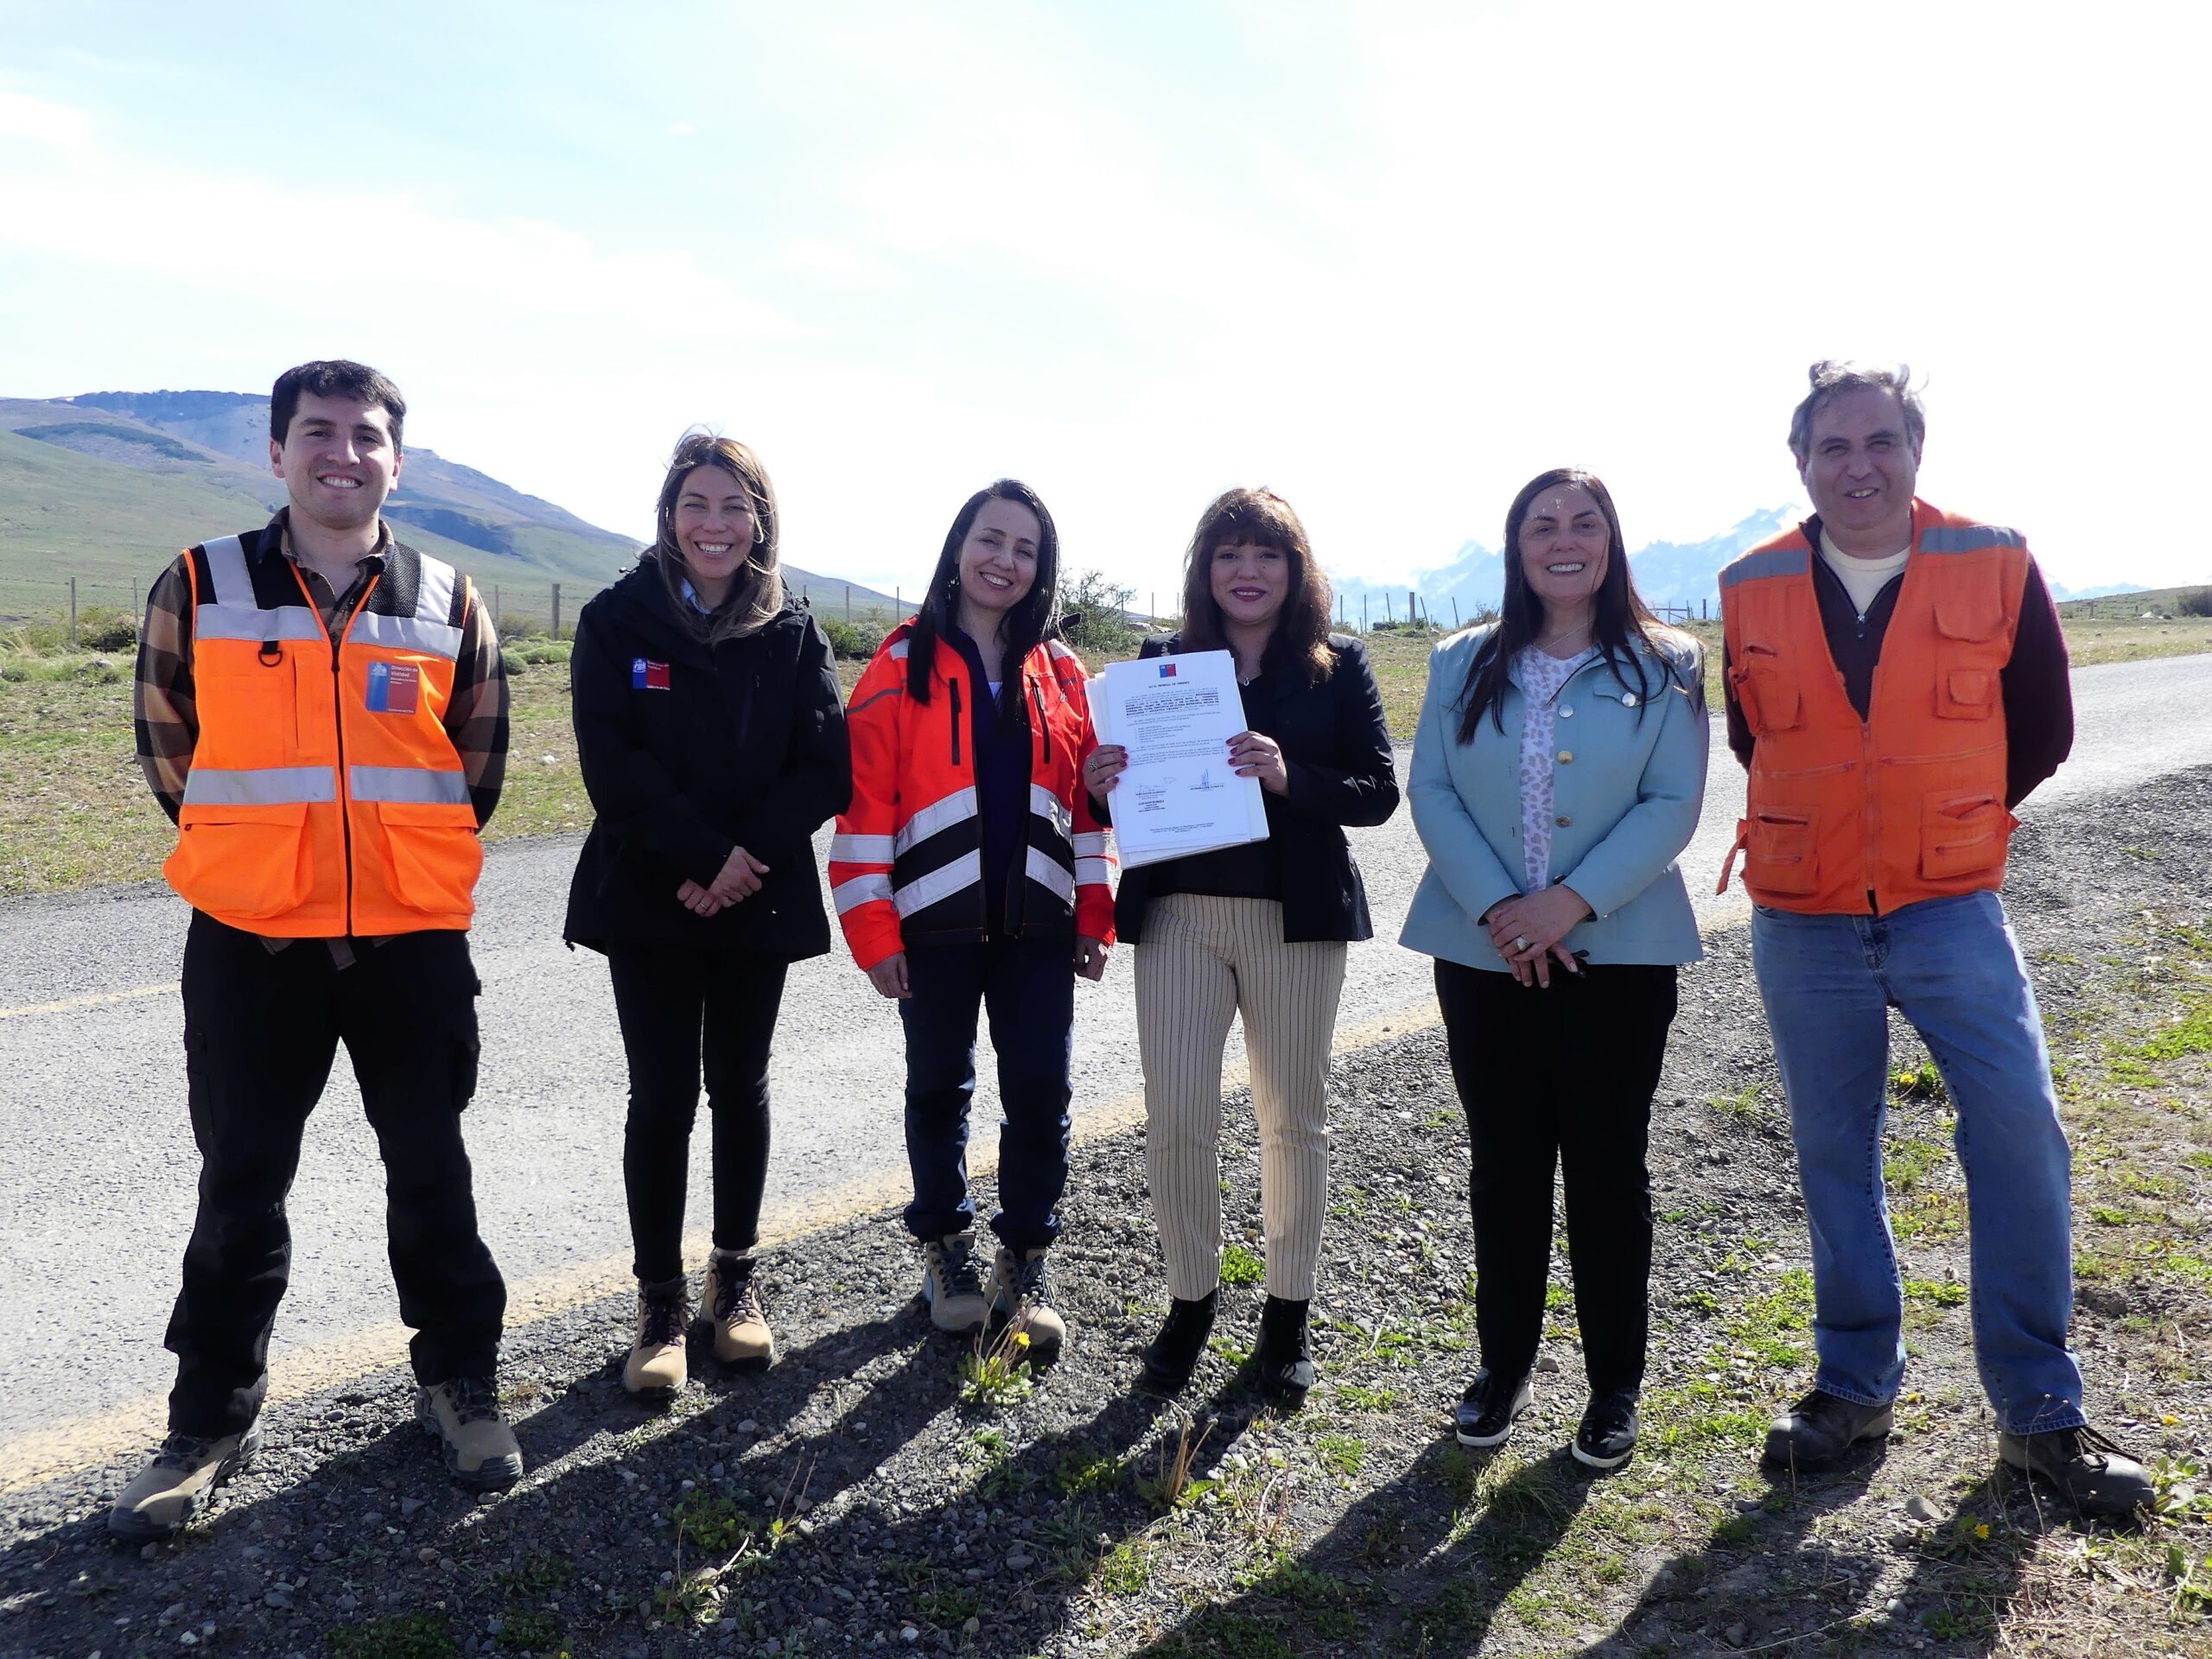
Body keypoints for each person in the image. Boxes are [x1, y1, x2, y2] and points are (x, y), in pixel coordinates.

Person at [1720, 361, 2150, 1516]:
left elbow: (2046, 725)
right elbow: (1750, 735)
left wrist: (1942, 821)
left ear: (1916, 450)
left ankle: (2041, 1418)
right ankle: (1853, 1388)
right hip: (1805, 918)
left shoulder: (1996, 559)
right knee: (1833, 1154)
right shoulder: (1750, 583)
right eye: (1832, 447)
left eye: (1879, 442)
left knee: (2022, 1137)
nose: (1856, 464)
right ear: (1801, 463)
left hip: (1950, 905)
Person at [113, 359, 519, 1541]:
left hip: (411, 940)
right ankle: (207, 1419)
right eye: (318, 433)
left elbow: (473, 770)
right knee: (241, 1183)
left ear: (400, 457)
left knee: (433, 1172)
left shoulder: (450, 599)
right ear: (277, 450)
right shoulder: (200, 583)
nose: (343, 453)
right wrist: (267, 860)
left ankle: (462, 1383)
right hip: (253, 943)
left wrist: (385, 863)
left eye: (367, 437)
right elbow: (169, 755)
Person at [1401, 468, 1707, 1468]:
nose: (1563, 540)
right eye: (1542, 525)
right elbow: (1434, 790)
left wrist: (1563, 906)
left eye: (1584, 523)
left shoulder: (1668, 663)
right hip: (1482, 956)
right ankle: (1504, 1365)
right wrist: (1502, 909)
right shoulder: (1461, 662)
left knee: (1609, 1170)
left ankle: (1614, 1386)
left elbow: (1671, 805)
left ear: (1612, 542)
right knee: (1505, 1167)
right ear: (1516, 546)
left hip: (1613, 957)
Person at [1088, 488, 1398, 1406]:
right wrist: (1105, 778)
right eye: (1229, 554)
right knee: (1178, 1114)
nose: (1248, 571)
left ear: (1294, 568)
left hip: (1291, 921)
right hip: (1181, 914)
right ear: (1204, 570)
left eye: (1266, 553)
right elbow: (1124, 798)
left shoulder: (1336, 667)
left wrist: (1285, 774)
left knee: (1290, 1118)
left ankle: (1286, 1315)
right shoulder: (1159, 664)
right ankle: (1190, 1302)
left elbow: (1376, 790)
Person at [564, 434, 850, 1399]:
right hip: (649, 893)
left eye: (735, 506)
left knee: (740, 1084)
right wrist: (697, 859)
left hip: (755, 895)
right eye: (698, 503)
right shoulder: (615, 620)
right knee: (661, 1097)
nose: (715, 524)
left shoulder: (793, 631)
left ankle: (735, 1285)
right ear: (669, 515)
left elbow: (823, 766)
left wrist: (738, 864)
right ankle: (656, 1304)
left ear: (760, 521)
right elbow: (613, 763)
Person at [828, 480, 1114, 1360]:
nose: (1005, 561)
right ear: (959, 547)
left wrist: (1094, 913)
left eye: (1025, 549)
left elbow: (1085, 807)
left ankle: (1023, 1259)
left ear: (1041, 569)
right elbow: (863, 814)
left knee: (1040, 1094)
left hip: (1038, 928)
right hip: (931, 929)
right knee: (938, 1088)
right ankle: (946, 1247)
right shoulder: (896, 665)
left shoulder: (1063, 673)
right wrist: (874, 935)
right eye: (991, 540)